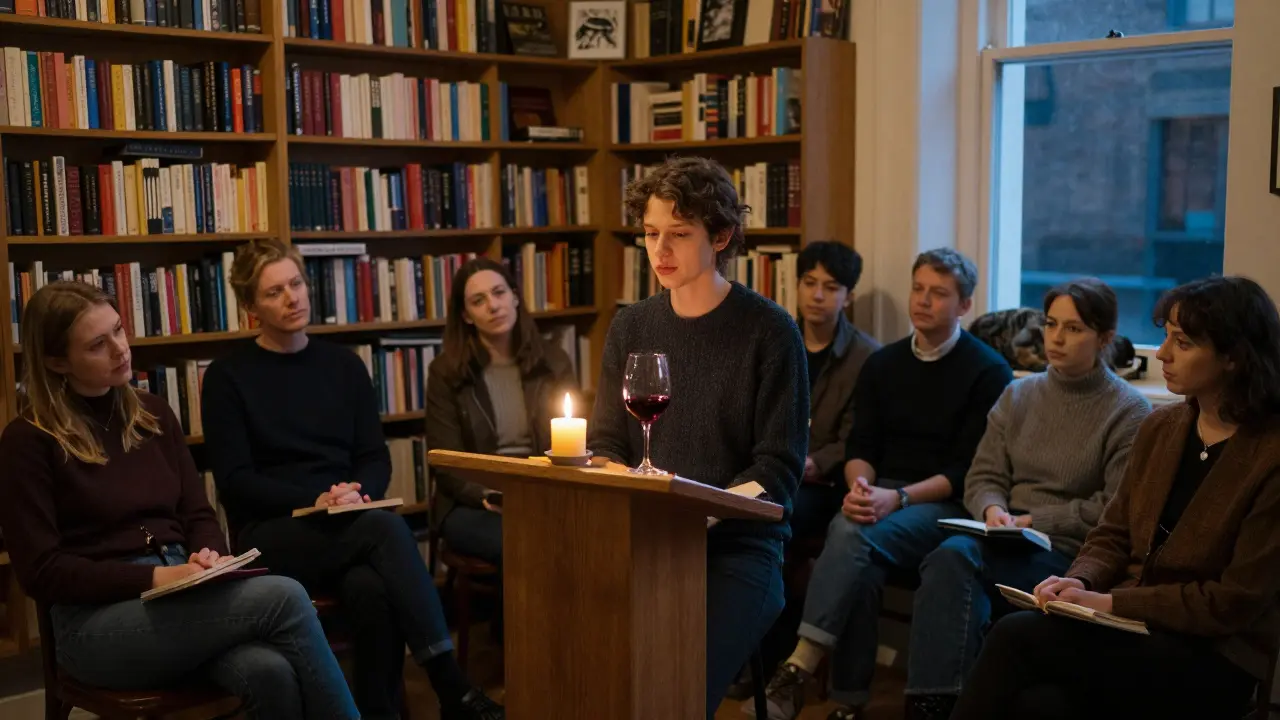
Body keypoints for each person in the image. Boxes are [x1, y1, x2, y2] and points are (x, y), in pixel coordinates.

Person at [0, 281, 359, 719]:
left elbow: (197, 512)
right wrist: (157, 580)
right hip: (94, 623)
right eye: (98, 344)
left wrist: (208, 554)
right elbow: (41, 572)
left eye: (118, 329)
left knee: (269, 671)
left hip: (182, 590)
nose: (120, 350)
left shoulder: (152, 413)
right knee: (284, 596)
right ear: (57, 362)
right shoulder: (28, 440)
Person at [951, 275, 1280, 720]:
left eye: (1181, 343)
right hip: (1132, 624)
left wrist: (1109, 603)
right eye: (1165, 338)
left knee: (1014, 637)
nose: (1162, 353)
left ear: (1234, 358)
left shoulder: (1269, 456)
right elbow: (1112, 532)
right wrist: (1081, 581)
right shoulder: (1162, 428)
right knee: (1040, 705)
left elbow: (1231, 602)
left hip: (1215, 652)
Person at [200, 239, 503, 720]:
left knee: (370, 587)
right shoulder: (226, 377)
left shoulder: (344, 365)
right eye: (274, 292)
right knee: (383, 529)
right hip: (272, 532)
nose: (292, 298)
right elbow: (236, 481)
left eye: (296, 283)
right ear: (250, 307)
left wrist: (355, 493)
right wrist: (316, 498)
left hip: (345, 520)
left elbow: (373, 456)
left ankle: (379, 712)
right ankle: (450, 683)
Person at [587, 156, 809, 719]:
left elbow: (777, 468)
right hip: (646, 536)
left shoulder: (770, 330)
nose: (660, 251)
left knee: (676, 688)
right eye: (650, 233)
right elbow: (607, 441)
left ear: (722, 236)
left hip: (739, 547)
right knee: (597, 668)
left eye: (679, 235)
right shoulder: (632, 324)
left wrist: (697, 514)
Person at [755, 248, 1013, 720]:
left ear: (963, 306)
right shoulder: (885, 364)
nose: (924, 301)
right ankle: (849, 703)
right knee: (861, 556)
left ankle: (798, 667)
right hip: (881, 493)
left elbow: (967, 470)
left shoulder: (988, 370)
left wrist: (898, 498)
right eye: (918, 289)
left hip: (944, 502)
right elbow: (862, 447)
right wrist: (859, 487)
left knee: (851, 533)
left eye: (939, 294)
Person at [903, 278, 1151, 718]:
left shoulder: (1128, 410)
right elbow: (983, 475)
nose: (1055, 338)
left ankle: (938, 705)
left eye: (1074, 329)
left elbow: (1114, 508)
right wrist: (994, 509)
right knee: (951, 556)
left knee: (956, 559)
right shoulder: (1019, 393)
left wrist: (1035, 520)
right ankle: (937, 702)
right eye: (1052, 324)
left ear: (1105, 338)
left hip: (1068, 555)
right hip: (1002, 536)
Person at [426, 256, 580, 567]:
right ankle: (515, 618)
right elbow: (445, 463)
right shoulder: (446, 372)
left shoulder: (554, 362)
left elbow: (575, 443)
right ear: (467, 316)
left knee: (586, 536)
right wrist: (488, 495)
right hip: (473, 503)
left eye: (499, 293)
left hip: (541, 492)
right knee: (529, 542)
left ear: (515, 296)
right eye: (478, 301)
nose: (493, 306)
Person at [792, 240, 881, 539]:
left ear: (848, 298)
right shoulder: (777, 342)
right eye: (809, 283)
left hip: (827, 484)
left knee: (780, 513)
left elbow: (858, 436)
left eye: (830, 287)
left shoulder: (866, 357)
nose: (817, 295)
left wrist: (817, 462)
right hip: (777, 473)